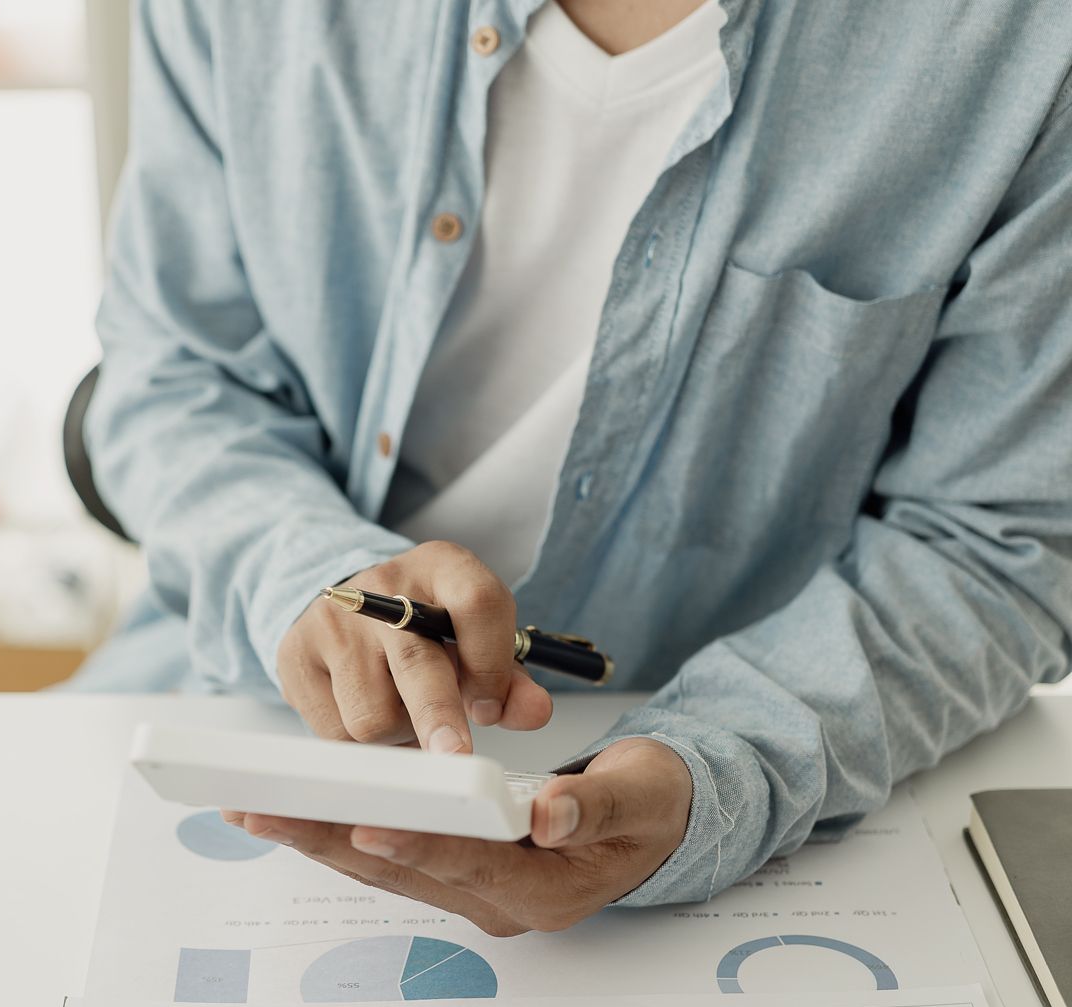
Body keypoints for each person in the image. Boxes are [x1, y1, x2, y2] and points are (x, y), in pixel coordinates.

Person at [73, 0, 1072, 935]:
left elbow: (996, 542)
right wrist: (301, 572)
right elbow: (173, 374)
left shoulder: (1025, 44)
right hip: (225, 712)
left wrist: (721, 770)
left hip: (761, 790)